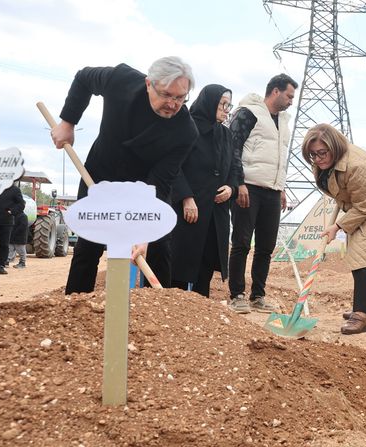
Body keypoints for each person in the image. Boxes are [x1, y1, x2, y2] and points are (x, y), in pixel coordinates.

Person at [51, 56, 199, 294]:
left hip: (145, 188)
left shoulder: (186, 132)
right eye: (166, 95)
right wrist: (68, 123)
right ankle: (75, 307)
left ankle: (158, 314)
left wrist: (146, 230)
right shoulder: (120, 80)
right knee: (88, 246)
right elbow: (83, 78)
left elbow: (160, 181)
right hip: (101, 176)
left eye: (180, 97)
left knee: (159, 249)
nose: (172, 104)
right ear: (149, 84)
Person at [301, 123, 366, 335]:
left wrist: (337, 226)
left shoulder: (356, 165)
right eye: (313, 155)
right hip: (358, 205)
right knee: (359, 253)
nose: (318, 159)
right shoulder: (324, 163)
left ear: (334, 147)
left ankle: (361, 315)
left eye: (322, 153)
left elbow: (364, 206)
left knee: (361, 253)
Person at [227, 74, 297, 314]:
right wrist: (239, 183)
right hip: (249, 188)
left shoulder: (284, 121)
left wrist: (281, 187)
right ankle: (236, 295)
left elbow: (279, 159)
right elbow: (233, 147)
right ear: (275, 91)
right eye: (289, 96)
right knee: (242, 243)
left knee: (266, 247)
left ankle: (258, 296)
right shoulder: (249, 112)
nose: (291, 101)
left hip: (272, 191)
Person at [170, 84, 237, 297]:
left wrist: (231, 188)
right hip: (188, 210)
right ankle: (174, 307)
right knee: (180, 263)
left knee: (206, 263)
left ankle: (200, 306)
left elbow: (234, 168)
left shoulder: (226, 135)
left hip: (215, 213)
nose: (227, 109)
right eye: (223, 104)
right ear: (209, 103)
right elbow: (174, 165)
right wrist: (186, 197)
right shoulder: (187, 128)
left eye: (229, 105)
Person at [0, 183, 24, 275]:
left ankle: (1, 266)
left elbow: (21, 204)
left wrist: (12, 211)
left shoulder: (14, 190)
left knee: (4, 244)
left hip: (6, 221)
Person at [7, 201, 28, 269]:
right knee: (10, 249)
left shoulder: (23, 216)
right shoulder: (13, 216)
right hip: (12, 236)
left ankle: (22, 263)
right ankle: (6, 261)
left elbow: (22, 227)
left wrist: (14, 233)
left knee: (21, 250)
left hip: (20, 237)